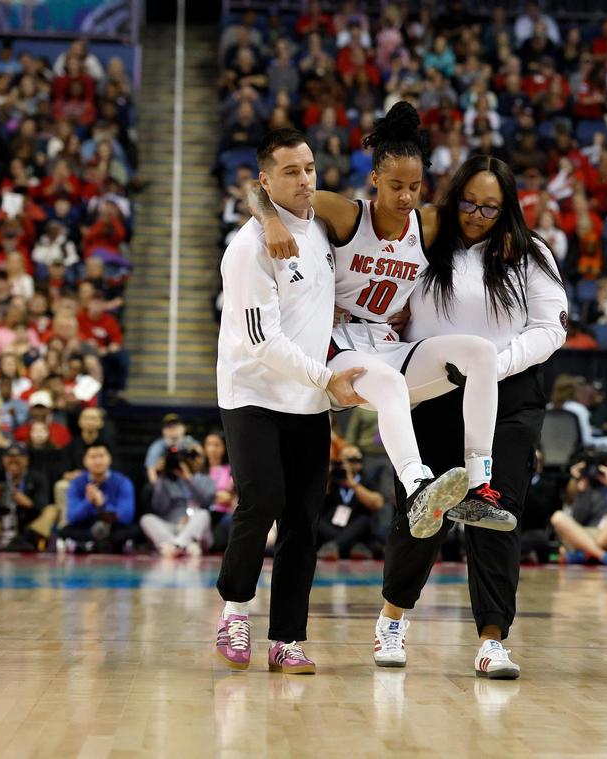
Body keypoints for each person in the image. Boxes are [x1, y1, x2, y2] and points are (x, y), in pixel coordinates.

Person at [252, 102, 511, 534]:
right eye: (395, 186)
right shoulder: (346, 214)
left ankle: (478, 486)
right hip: (337, 347)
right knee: (389, 384)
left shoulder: (427, 223)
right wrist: (270, 221)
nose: (406, 197)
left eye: (414, 186)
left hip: (389, 345)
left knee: (481, 353)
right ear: (375, 180)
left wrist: (516, 244)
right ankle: (417, 487)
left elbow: (486, 214)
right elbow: (260, 190)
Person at [373, 155, 567, 678]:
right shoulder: (422, 244)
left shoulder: (531, 254)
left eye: (490, 207)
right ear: (452, 195)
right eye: (469, 203)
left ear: (508, 209)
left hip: (509, 399)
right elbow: (389, 310)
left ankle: (492, 640)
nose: (478, 215)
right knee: (423, 511)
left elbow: (552, 328)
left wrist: (495, 366)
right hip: (434, 393)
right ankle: (393, 619)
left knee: (496, 515)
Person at [213, 128, 365, 675]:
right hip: (252, 392)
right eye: (290, 172)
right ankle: (234, 609)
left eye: (308, 168)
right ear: (265, 180)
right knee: (262, 501)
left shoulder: (323, 232)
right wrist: (328, 378)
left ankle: (287, 639)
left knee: (304, 520)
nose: (304, 180)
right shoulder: (249, 247)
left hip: (307, 398)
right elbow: (262, 340)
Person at [550, 448, 607, 566]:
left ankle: (584, 554)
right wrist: (582, 490)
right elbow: (578, 519)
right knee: (558, 517)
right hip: (589, 532)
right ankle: (602, 555)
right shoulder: (591, 485)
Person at [58, 444, 136, 553]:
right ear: (85, 460)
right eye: (93, 457)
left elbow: (126, 517)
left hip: (112, 527)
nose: (98, 461)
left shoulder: (122, 482)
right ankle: (99, 543)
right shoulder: (77, 483)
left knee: (133, 530)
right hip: (86, 527)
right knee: (65, 530)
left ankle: (92, 544)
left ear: (109, 458)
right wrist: (88, 502)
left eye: (101, 456)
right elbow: (72, 517)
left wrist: (102, 505)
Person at [141, 444, 217, 557]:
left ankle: (176, 546)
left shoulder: (205, 480)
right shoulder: (164, 481)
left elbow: (207, 501)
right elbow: (159, 508)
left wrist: (188, 478)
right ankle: (184, 545)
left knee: (203, 514)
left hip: (196, 529)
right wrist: (161, 476)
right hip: (172, 527)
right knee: (146, 519)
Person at [317, 444, 383, 559]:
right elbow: (317, 506)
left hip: (356, 528)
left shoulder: (365, 480)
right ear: (340, 461)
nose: (355, 462)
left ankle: (334, 546)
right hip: (332, 527)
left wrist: (353, 485)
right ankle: (351, 546)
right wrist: (327, 481)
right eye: (350, 459)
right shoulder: (334, 479)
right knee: (316, 520)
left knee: (364, 520)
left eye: (358, 459)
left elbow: (377, 504)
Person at [144, 413, 197, 485]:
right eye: (169, 426)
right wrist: (157, 469)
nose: (173, 429)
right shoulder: (157, 446)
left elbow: (201, 464)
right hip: (166, 485)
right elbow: (152, 476)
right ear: (163, 430)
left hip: (187, 483)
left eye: (176, 425)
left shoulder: (190, 443)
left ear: (183, 428)